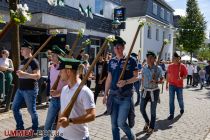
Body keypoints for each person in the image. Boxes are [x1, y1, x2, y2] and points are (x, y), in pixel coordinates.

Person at [103, 36, 138, 140]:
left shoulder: (131, 60)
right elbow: (109, 78)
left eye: (119, 47)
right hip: (113, 96)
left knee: (121, 123)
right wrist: (105, 94)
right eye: (115, 47)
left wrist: (126, 82)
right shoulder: (111, 61)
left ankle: (132, 137)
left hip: (125, 97)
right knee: (114, 125)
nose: (116, 49)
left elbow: (137, 77)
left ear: (123, 47)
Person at [55, 56, 96, 140]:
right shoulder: (64, 89)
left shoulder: (85, 91)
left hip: (78, 137)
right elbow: (62, 111)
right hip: (61, 136)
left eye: (61, 71)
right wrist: (57, 131)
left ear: (68, 71)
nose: (60, 74)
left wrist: (70, 121)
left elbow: (92, 115)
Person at [12, 40, 41, 132]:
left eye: (23, 49)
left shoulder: (34, 62)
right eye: (21, 49)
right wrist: (19, 74)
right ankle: (20, 127)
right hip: (20, 89)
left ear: (29, 50)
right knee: (15, 107)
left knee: (31, 110)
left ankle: (35, 129)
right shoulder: (23, 61)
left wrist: (24, 74)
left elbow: (37, 76)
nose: (21, 51)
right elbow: (21, 74)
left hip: (30, 89)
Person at [43, 45, 68, 140]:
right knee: (48, 122)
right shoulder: (52, 67)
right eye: (51, 55)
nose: (51, 57)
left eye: (54, 55)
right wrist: (48, 93)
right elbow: (50, 81)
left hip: (64, 99)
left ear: (59, 57)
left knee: (60, 124)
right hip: (53, 99)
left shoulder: (65, 68)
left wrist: (59, 92)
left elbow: (68, 86)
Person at [140, 51, 163, 135]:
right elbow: (142, 78)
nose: (149, 59)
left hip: (154, 91)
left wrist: (156, 81)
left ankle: (152, 127)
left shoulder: (158, 68)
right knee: (142, 109)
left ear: (154, 59)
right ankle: (147, 121)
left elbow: (162, 80)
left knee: (152, 111)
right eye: (147, 57)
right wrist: (142, 87)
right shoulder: (144, 68)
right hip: (145, 91)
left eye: (151, 57)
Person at [166, 52, 188, 120]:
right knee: (171, 100)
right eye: (173, 58)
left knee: (180, 99)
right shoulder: (170, 66)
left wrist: (181, 78)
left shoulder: (182, 66)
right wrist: (167, 83)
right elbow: (168, 75)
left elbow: (186, 75)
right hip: (171, 85)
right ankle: (171, 114)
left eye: (175, 58)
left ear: (178, 59)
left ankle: (182, 108)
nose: (173, 59)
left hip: (179, 86)